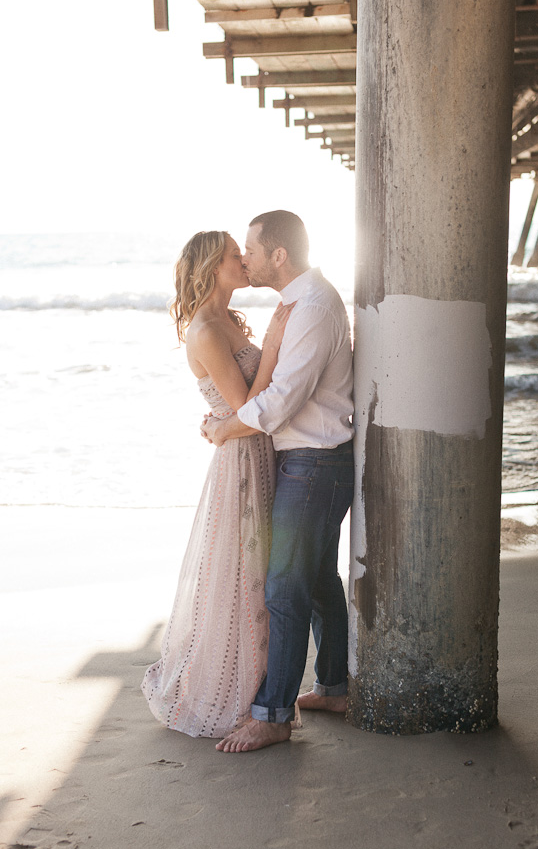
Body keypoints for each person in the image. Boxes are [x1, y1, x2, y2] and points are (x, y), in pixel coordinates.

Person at [201, 210, 354, 753]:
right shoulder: (298, 304)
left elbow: (280, 400)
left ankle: (272, 715)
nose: (246, 258)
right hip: (316, 461)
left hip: (313, 463)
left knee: (284, 586)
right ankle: (334, 687)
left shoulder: (311, 308)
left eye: (251, 249)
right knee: (314, 581)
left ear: (279, 255)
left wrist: (222, 428)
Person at [141, 230, 294, 738]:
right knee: (244, 576)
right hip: (244, 461)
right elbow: (250, 410)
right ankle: (242, 697)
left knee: (261, 572)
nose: (244, 261)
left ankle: (265, 693)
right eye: (235, 255)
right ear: (212, 266)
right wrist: (274, 342)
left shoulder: (227, 318)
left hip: (257, 451)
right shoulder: (206, 328)